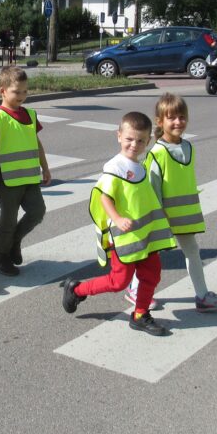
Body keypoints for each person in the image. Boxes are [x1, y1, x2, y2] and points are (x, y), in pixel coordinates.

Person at [61, 111, 177, 336]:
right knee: (118, 282)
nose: (135, 144)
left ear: (148, 141)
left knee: (152, 274)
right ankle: (77, 289)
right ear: (119, 136)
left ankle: (140, 314)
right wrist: (117, 218)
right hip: (124, 238)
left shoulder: (140, 167)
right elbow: (104, 196)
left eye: (141, 140)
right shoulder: (115, 167)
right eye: (129, 139)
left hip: (145, 237)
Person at [125, 93, 217, 312]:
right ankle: (135, 289)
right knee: (151, 255)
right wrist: (157, 218)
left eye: (181, 117)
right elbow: (152, 188)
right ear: (159, 121)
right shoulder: (157, 153)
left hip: (183, 217)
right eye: (171, 117)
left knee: (192, 251)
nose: (177, 122)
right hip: (162, 218)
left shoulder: (188, 147)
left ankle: (202, 296)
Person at [0, 66, 50, 276]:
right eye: (16, 92)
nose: (21, 96)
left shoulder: (29, 114)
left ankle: (15, 241)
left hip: (29, 177)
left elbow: (36, 143)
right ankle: (0, 258)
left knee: (38, 211)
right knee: (8, 220)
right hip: (7, 180)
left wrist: (45, 167)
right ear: (3, 91)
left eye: (25, 92)